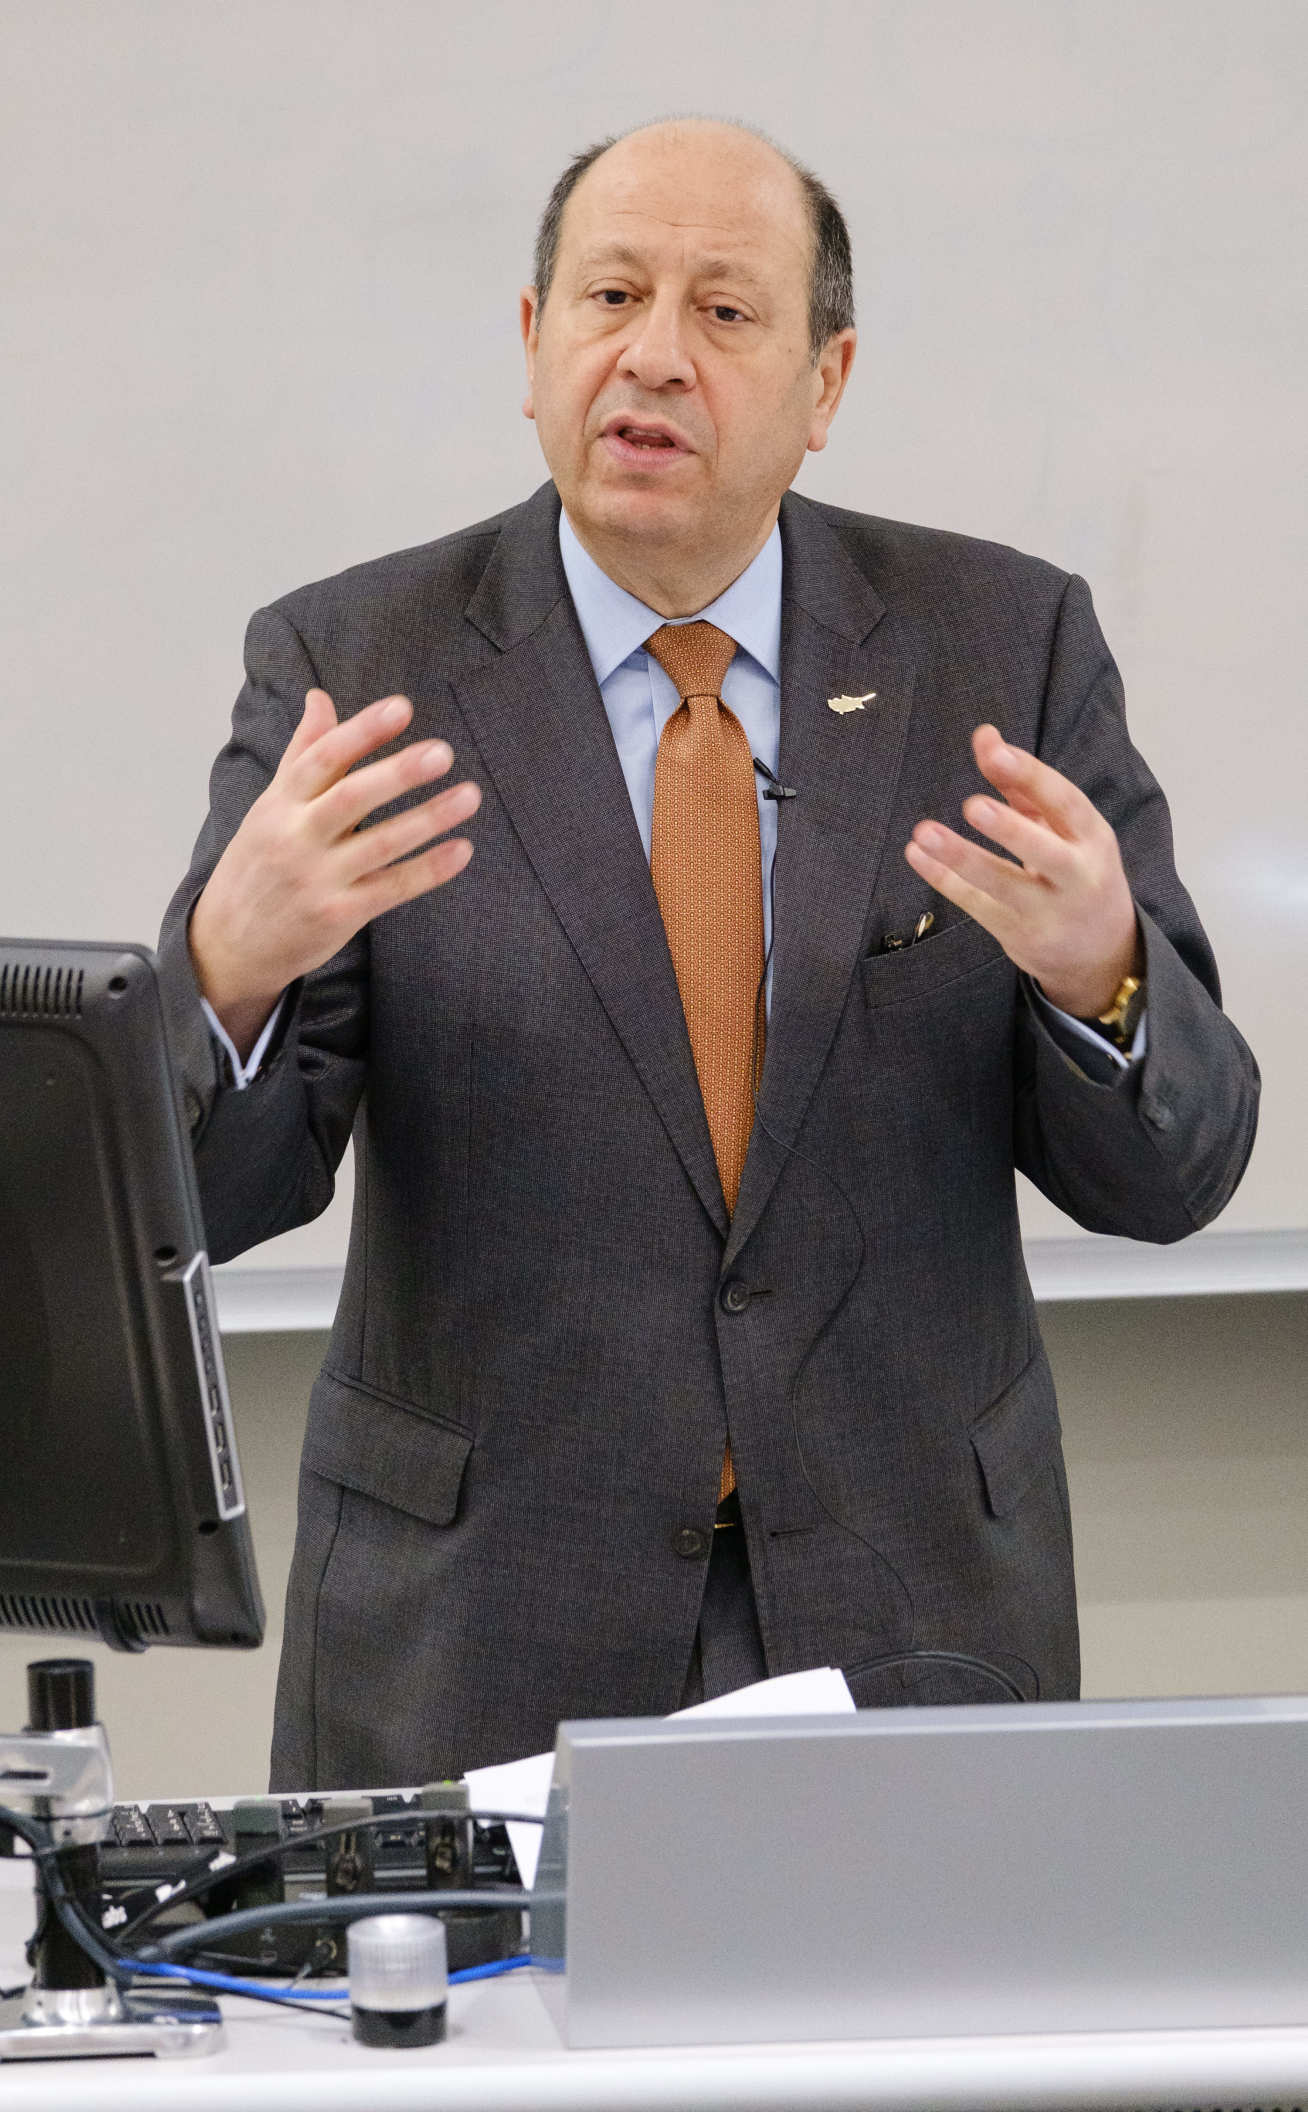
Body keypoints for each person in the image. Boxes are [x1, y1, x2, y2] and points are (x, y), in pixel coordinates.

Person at [159, 116, 1258, 1790]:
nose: (654, 355)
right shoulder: (358, 665)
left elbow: (1174, 1179)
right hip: (479, 1628)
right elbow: (208, 1212)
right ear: (534, 341)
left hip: (912, 1618)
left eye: (726, 312)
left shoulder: (1000, 649)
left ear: (826, 385)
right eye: (610, 296)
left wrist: (1100, 972)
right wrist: (226, 978)